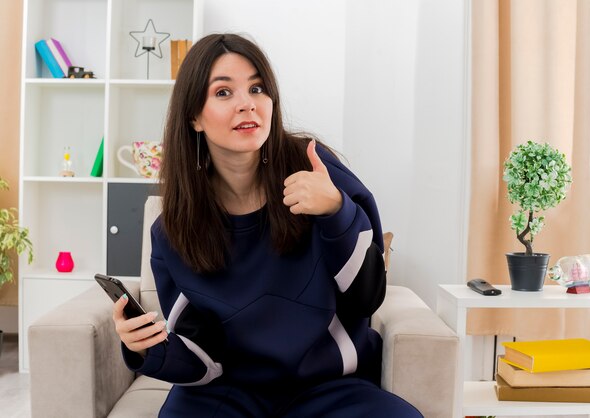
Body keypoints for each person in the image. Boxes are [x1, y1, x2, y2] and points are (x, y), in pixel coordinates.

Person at [112, 33, 424, 418]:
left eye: (257, 88)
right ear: (194, 116)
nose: (247, 104)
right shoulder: (173, 231)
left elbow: (367, 298)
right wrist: (146, 349)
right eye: (224, 93)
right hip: (226, 392)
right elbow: (201, 357)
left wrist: (336, 212)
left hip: (328, 387)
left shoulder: (315, 170)